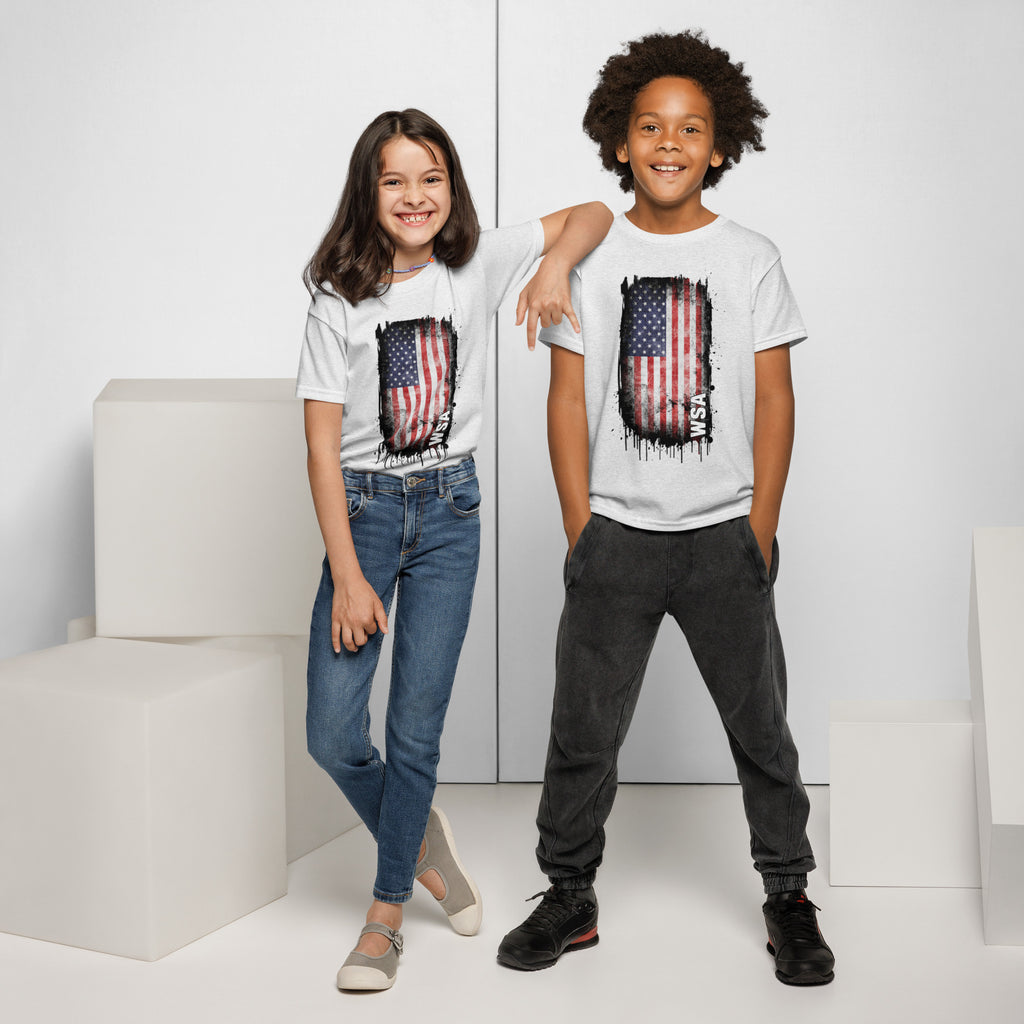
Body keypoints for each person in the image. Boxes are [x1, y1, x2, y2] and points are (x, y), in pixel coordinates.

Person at [496, 31, 835, 986]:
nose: (670, 142)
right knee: (582, 729)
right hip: (618, 538)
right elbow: (567, 397)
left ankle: (789, 894)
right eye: (650, 127)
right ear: (620, 141)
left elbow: (775, 398)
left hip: (725, 534)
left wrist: (759, 526)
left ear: (721, 145)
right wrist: (581, 525)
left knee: (761, 728)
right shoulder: (589, 257)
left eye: (692, 128)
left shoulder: (751, 257)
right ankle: (569, 895)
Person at [297, 107, 611, 993]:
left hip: (448, 517)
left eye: (430, 177)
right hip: (360, 514)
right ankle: (421, 832)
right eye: (394, 179)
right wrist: (350, 575)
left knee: (414, 730)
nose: (414, 196)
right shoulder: (337, 292)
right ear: (369, 190)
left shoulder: (475, 261)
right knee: (331, 729)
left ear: (452, 186)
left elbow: (594, 213)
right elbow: (322, 445)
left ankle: (386, 915)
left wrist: (552, 263)